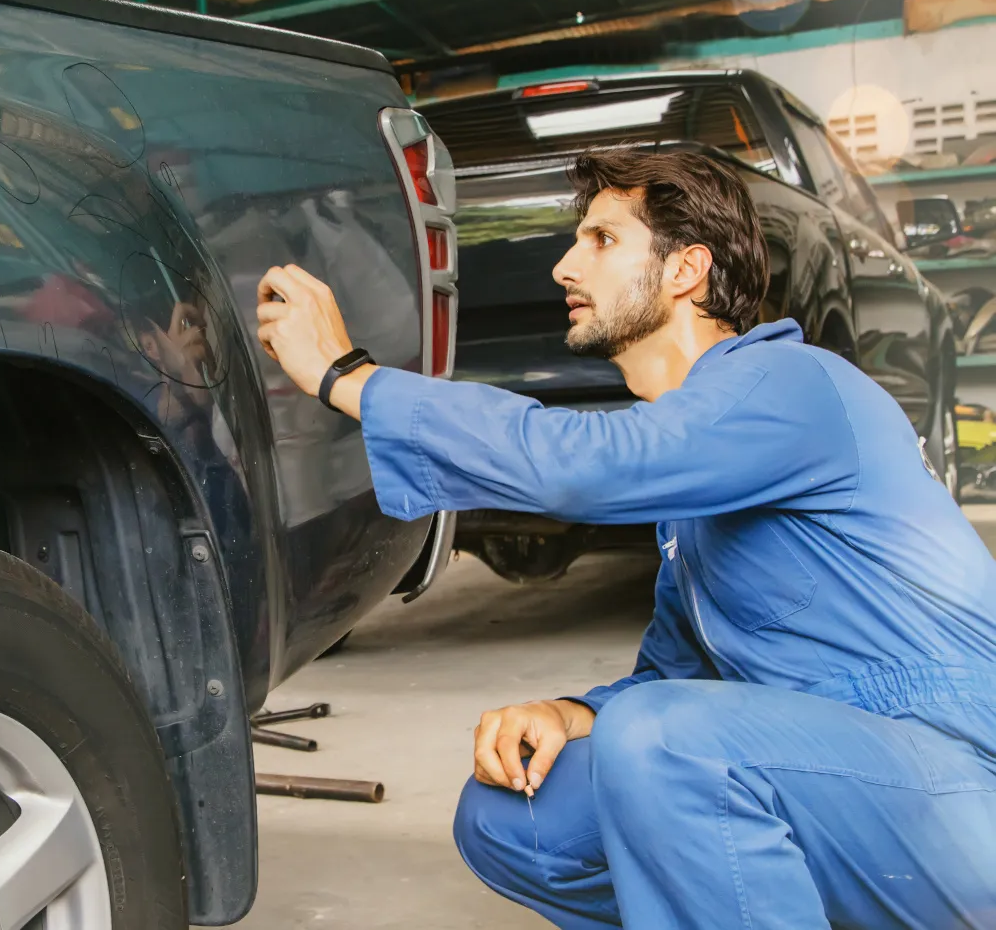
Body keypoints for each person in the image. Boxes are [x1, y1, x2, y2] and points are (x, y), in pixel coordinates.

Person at [255, 148, 996, 930]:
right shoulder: (696, 486)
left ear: (687, 270)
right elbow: (679, 671)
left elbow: (587, 466)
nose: (565, 267)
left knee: (667, 744)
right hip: (839, 781)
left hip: (959, 788)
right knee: (514, 819)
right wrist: (574, 712)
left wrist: (349, 376)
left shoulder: (793, 384)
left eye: (602, 240)